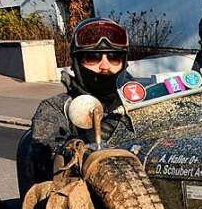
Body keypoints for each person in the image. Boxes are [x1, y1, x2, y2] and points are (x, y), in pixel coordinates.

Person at [17, 17, 130, 193]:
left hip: (139, 195)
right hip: (78, 201)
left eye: (114, 57)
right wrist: (83, 145)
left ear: (124, 63)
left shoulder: (135, 102)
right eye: (93, 57)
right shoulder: (56, 107)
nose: (105, 66)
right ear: (77, 63)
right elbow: (44, 152)